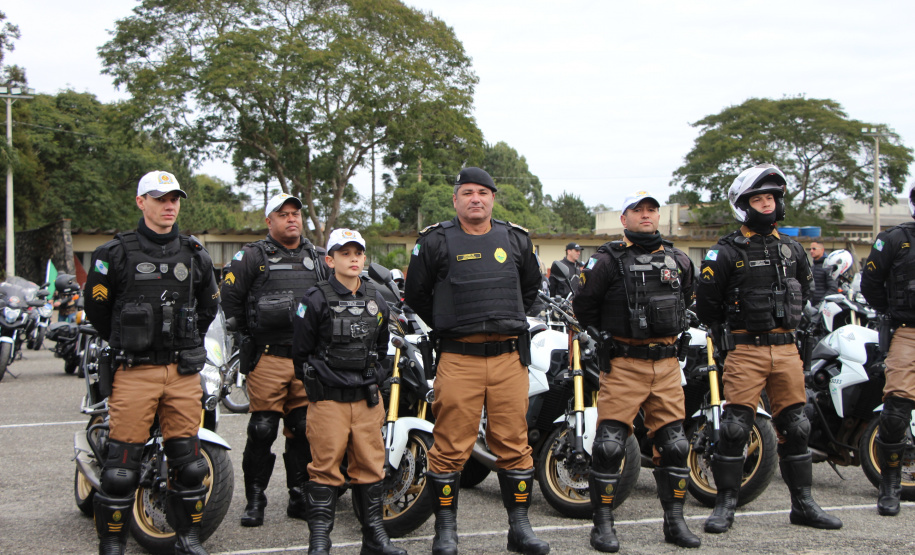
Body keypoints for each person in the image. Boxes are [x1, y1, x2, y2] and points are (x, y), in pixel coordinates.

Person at [404, 167, 549, 555]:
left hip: (507, 360)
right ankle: (446, 533)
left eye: (483, 192)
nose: (475, 199)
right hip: (459, 358)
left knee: (515, 444)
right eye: (467, 192)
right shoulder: (434, 242)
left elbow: (530, 288)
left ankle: (519, 529)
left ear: (492, 199)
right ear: (455, 200)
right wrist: (453, 321)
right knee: (450, 446)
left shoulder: (516, 240)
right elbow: (416, 295)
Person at [696, 164, 842, 534]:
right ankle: (725, 503)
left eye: (771, 198)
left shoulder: (793, 248)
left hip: (786, 350)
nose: (766, 204)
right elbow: (708, 304)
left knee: (797, 425)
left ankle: (803, 504)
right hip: (745, 349)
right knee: (734, 428)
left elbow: (806, 292)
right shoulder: (726, 251)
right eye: (758, 198)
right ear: (744, 205)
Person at [84, 170, 220, 555]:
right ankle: (112, 544)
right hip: (135, 371)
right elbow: (97, 308)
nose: (169, 205)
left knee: (190, 465)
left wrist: (183, 340)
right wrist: (130, 339)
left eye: (174, 198)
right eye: (160, 198)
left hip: (181, 373)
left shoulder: (195, 254)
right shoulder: (114, 253)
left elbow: (209, 306)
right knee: (121, 469)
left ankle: (188, 539)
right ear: (141, 202)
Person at [573, 191, 700, 551]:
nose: (646, 215)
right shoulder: (606, 260)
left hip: (666, 364)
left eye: (651, 210)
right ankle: (603, 526)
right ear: (624, 219)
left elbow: (688, 298)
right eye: (637, 210)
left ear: (658, 216)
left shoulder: (677, 259)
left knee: (675, 445)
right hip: (625, 363)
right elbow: (584, 306)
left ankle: (675, 523)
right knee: (610, 446)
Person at [292, 229, 405, 555]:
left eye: (358, 252)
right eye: (345, 253)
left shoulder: (376, 297)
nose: (353, 258)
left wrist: (375, 377)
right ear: (330, 260)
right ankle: (319, 543)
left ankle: (374, 539)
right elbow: (301, 353)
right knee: (325, 470)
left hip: (367, 401)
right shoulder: (314, 299)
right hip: (329, 401)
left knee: (371, 467)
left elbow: (383, 345)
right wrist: (323, 383)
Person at [221, 192, 326, 527]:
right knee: (263, 429)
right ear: (269, 221)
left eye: (296, 213)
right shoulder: (252, 256)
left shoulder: (318, 257)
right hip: (268, 358)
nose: (292, 219)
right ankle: (255, 500)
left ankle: (298, 497)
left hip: (305, 359)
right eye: (283, 214)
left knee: (302, 429)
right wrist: (246, 340)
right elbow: (230, 302)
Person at [861, 180, 915, 517]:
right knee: (895, 409)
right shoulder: (894, 238)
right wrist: (896, 315)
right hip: (909, 333)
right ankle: (890, 483)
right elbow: (871, 284)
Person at [809, 241, 838, 305]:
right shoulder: (812, 267)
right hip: (812, 306)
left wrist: (822, 302)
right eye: (810, 249)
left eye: (814, 249)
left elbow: (833, 288)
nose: (811, 251)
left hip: (823, 306)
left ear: (822, 250)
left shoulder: (828, 267)